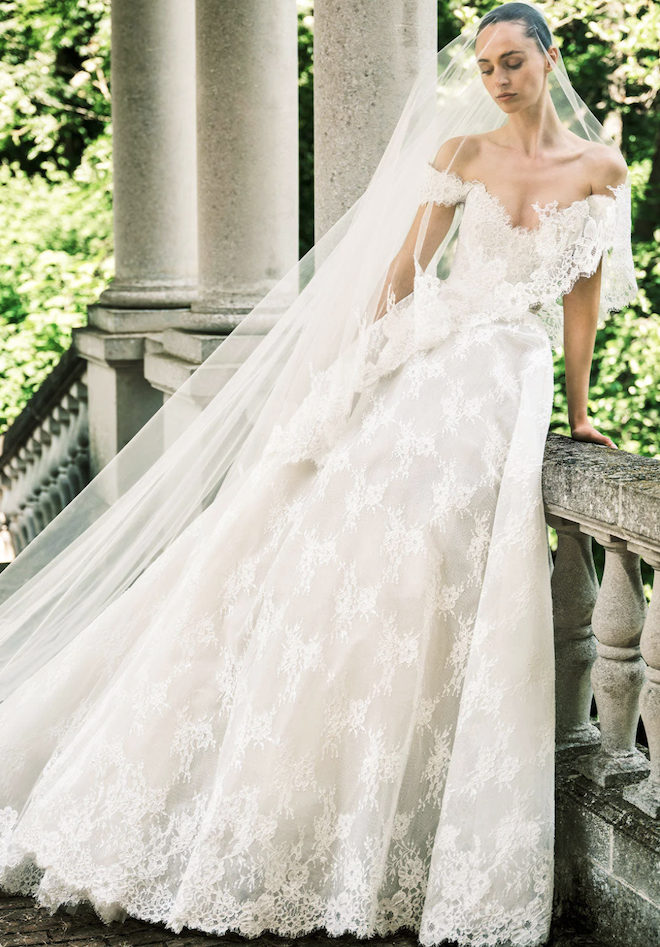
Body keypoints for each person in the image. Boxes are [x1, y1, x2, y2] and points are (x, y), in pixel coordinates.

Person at [0, 3, 637, 946]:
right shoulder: (464, 153)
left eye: (513, 62)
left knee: (439, 558)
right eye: (486, 66)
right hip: (433, 357)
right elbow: (401, 274)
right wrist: (369, 368)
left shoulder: (601, 171)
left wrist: (582, 412)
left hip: (508, 370)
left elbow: (580, 303)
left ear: (549, 58)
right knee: (347, 537)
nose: (498, 80)